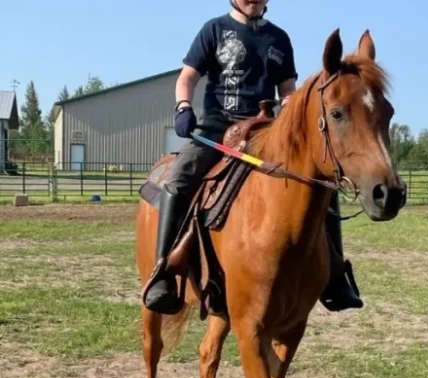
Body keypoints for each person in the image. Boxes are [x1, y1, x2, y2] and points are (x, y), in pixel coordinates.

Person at [143, 0, 364, 315]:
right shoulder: (214, 29)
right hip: (216, 130)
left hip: (264, 131)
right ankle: (164, 272)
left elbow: (287, 89)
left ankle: (336, 274)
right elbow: (187, 77)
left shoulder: (279, 39)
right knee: (178, 181)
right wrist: (183, 106)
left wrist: (291, 108)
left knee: (322, 182)